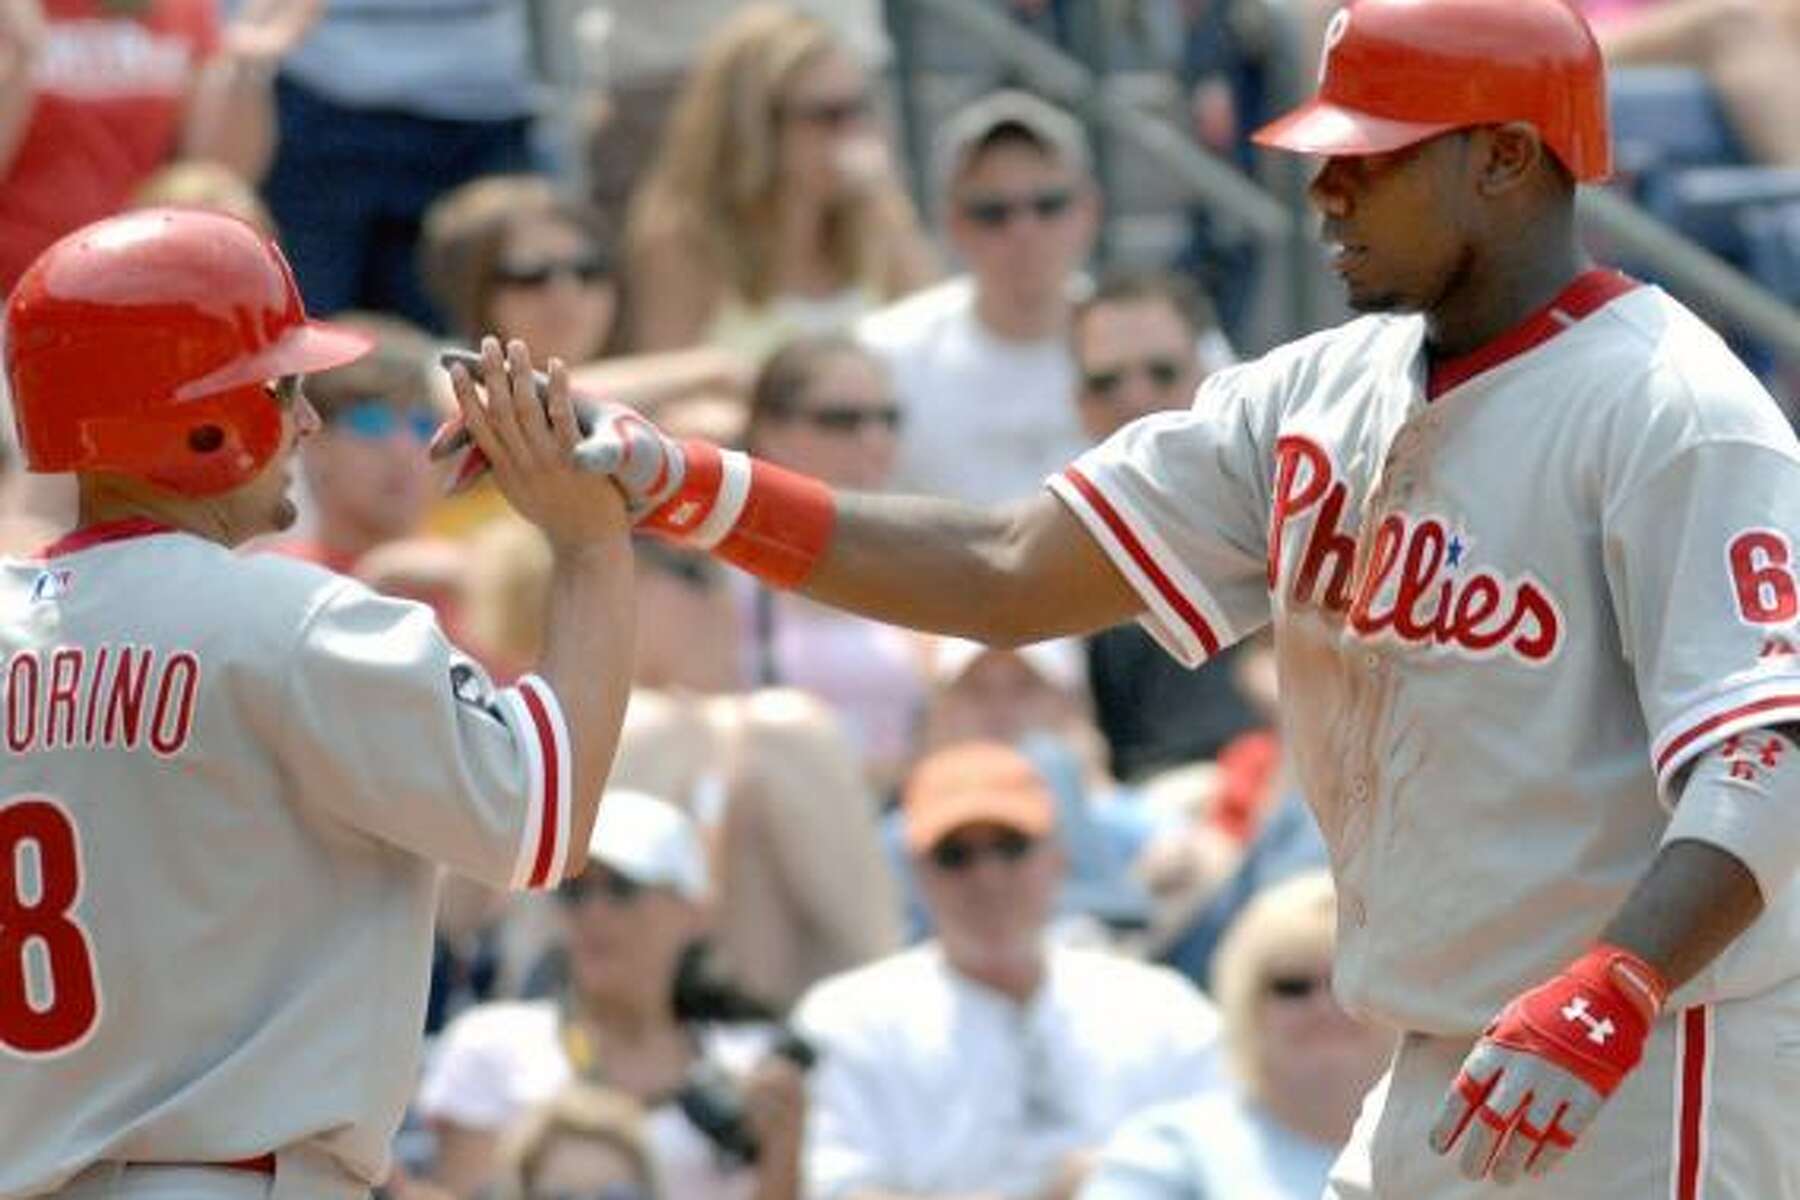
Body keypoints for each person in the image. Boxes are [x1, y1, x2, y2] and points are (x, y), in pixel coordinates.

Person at [481, 0, 1800, 1193]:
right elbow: (1010, 568)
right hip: (1432, 1056)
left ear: (1504, 158)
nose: (1326, 189)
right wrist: (695, 484)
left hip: (1654, 1060)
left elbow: (1768, 751)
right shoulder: (1316, 390)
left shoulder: (1673, 413)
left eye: (1371, 156)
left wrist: (1618, 985)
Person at [0, 208, 637, 1197]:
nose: (304, 420)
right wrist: (591, 547)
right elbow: (541, 821)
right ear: (196, 414)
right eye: (284, 388)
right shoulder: (292, 621)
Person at [794, 741, 1222, 1199]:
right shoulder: (850, 1020)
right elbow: (840, 1188)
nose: (988, 878)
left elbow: (1231, 1161)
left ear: (1058, 856)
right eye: (955, 856)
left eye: (1011, 848)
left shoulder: (1159, 1008)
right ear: (918, 874)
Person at [418, 788, 807, 1200]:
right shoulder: (492, 1045)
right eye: (576, 891)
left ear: (694, 911)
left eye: (622, 889)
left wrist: (783, 1151)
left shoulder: (752, 1064)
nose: (594, 913)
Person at [624, 2, 937, 360]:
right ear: (757, 126)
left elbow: (933, 348)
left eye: (860, 109)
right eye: (827, 115)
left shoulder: (873, 220)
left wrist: (887, 206)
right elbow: (665, 387)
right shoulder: (686, 234)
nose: (852, 135)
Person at [1080, 870, 1394, 1200]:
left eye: (1345, 984)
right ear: (1245, 1003)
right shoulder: (1172, 1149)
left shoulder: (1441, 1149)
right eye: (1291, 985)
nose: (1324, 1006)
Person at [855, 89, 1100, 506]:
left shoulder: (1155, 344)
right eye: (992, 212)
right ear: (953, 224)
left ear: (1089, 210)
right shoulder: (886, 352)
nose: (1024, 231)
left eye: (1049, 205)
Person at [1068, 271, 1264, 779]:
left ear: (1205, 379)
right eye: (1107, 381)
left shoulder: (1281, 509)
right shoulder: (1050, 536)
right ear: (1081, 404)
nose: (1135, 399)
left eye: (1161, 372)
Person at [0, 0, 318, 292]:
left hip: (137, 288)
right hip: (20, 284)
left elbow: (218, 178)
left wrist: (248, 67)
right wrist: (18, 62)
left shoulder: (183, 10)